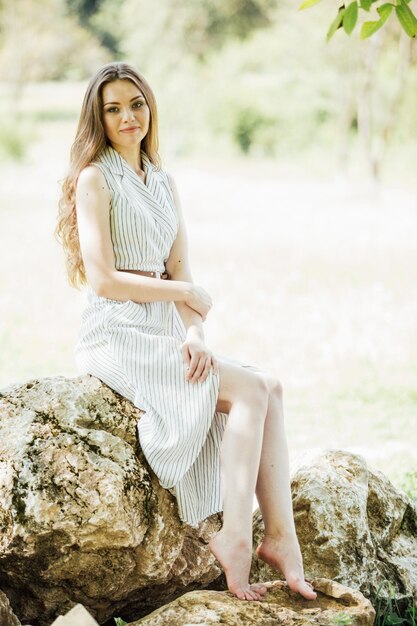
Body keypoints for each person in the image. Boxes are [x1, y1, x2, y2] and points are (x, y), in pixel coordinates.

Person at [56, 61, 317, 603]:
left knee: (269, 386)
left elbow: (182, 272)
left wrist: (195, 334)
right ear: (97, 120)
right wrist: (182, 298)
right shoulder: (95, 178)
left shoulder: (163, 181)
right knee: (247, 389)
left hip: (163, 324)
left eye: (136, 103)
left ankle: (280, 538)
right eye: (113, 108)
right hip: (116, 331)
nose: (129, 116)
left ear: (150, 107)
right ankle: (236, 539)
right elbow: (103, 279)